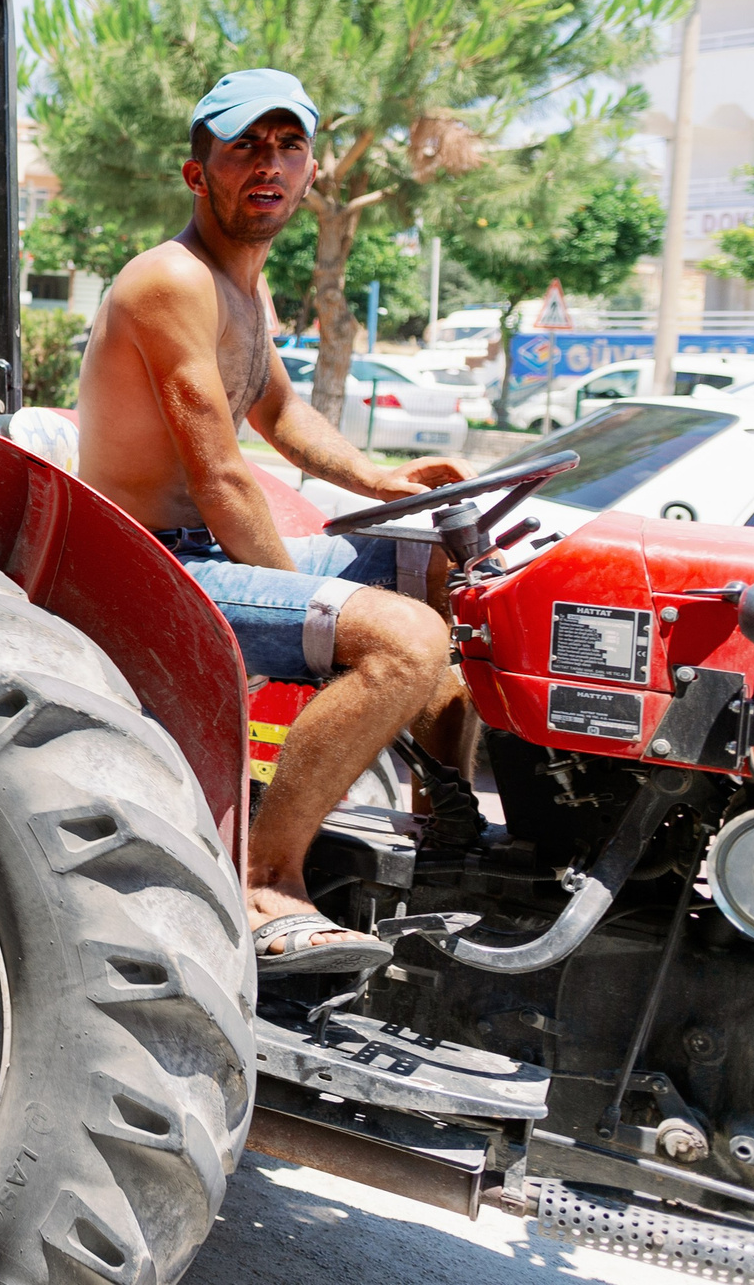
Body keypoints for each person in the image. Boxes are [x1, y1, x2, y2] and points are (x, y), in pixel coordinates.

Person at [74, 68, 469, 976]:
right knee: (406, 640)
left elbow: (280, 415)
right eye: (247, 145)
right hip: (150, 570)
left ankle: (447, 827)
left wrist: (384, 479)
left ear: (313, 169)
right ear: (196, 171)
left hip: (210, 551)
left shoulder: (242, 284)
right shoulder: (169, 280)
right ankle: (266, 880)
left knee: (443, 564)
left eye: (289, 146)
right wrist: (317, 603)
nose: (271, 164)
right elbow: (220, 476)